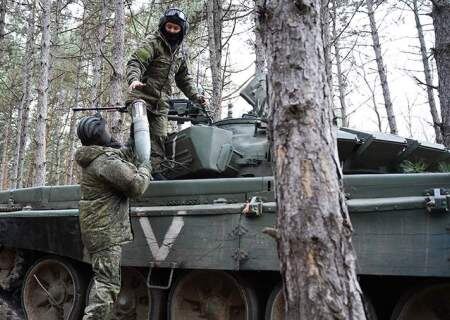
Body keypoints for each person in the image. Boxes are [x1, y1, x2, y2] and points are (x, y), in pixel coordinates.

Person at [75, 115, 152, 320]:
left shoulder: (98, 158)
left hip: (99, 229)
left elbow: (123, 155)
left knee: (105, 281)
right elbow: (136, 186)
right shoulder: (104, 162)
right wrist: (146, 167)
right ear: (100, 135)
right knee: (107, 284)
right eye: (106, 130)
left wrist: (133, 135)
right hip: (105, 231)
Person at [126, 7, 207, 178]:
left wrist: (196, 97)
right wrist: (133, 79)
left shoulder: (180, 53)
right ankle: (131, 172)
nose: (171, 31)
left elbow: (184, 79)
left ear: (181, 30)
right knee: (140, 134)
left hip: (161, 103)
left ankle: (153, 173)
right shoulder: (153, 42)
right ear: (163, 25)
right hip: (142, 97)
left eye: (175, 28)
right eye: (169, 27)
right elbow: (136, 62)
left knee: (159, 138)